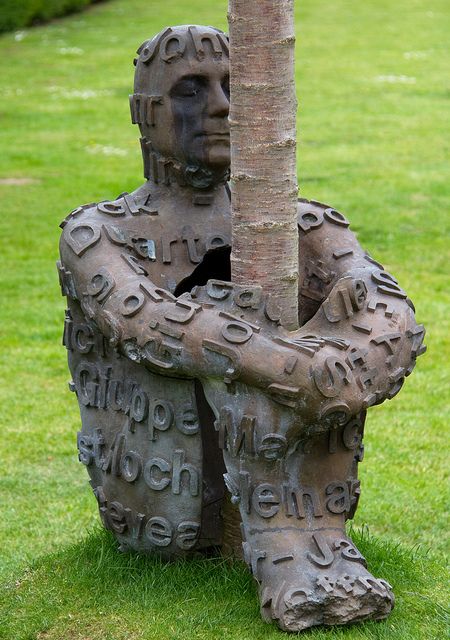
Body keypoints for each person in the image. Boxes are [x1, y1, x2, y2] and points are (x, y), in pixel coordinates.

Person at [58, 25, 425, 632]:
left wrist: (337, 366)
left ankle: (302, 548)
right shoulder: (96, 234)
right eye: (190, 91)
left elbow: (391, 310)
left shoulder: (305, 223)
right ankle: (289, 555)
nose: (222, 106)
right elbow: (148, 324)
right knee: (230, 331)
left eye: (232, 86)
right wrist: (290, 367)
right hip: (158, 512)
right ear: (143, 114)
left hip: (301, 466)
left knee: (311, 312)